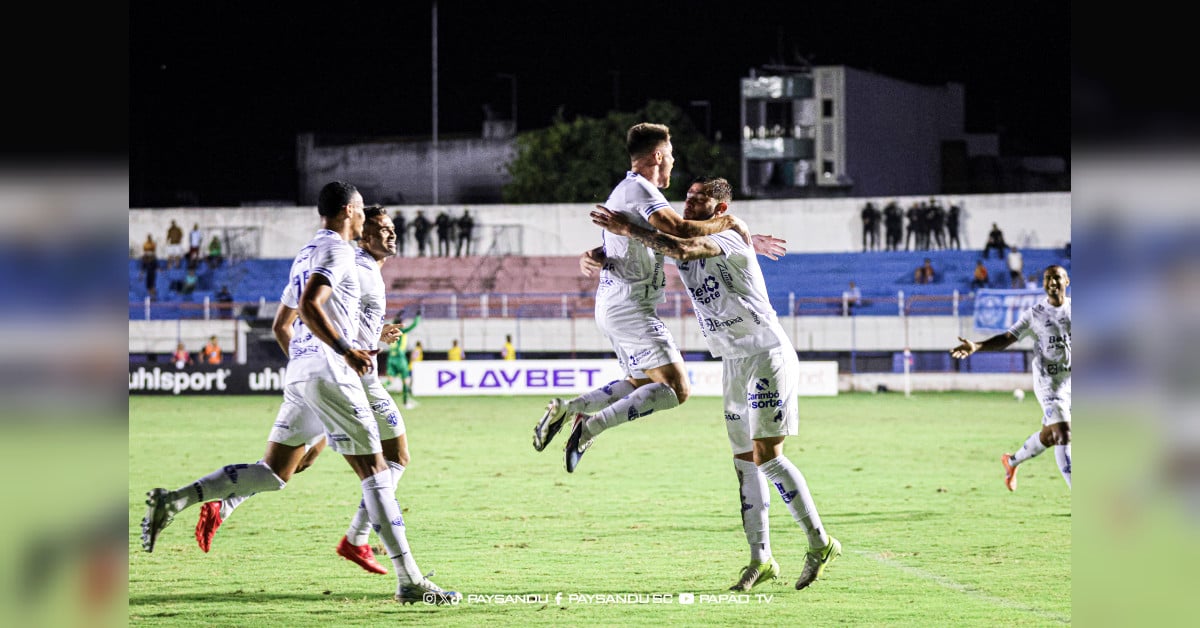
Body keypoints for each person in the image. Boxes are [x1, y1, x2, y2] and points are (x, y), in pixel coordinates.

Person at [140, 181, 460, 604]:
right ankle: (410, 582)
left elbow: (282, 325)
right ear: (349, 211)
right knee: (378, 473)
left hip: (302, 371)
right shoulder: (339, 251)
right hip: (331, 370)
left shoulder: (306, 253)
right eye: (362, 210)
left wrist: (320, 364)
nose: (366, 217)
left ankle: (176, 498)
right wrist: (345, 351)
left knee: (275, 473)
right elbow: (312, 304)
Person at [587, 176, 839, 592]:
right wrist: (598, 253)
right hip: (733, 362)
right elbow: (657, 249)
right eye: (685, 197)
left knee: (768, 457)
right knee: (744, 462)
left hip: (765, 353)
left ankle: (820, 543)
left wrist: (628, 227)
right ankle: (761, 558)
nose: (686, 205)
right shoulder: (716, 232)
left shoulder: (726, 235)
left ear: (720, 209)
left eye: (697, 200)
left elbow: (684, 246)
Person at [195, 206, 418, 577]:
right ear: (363, 233)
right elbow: (309, 315)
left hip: (333, 373)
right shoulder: (358, 266)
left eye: (394, 229)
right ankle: (359, 539)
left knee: (301, 461)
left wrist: (371, 337)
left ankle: (226, 504)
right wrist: (325, 360)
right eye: (382, 228)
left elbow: (315, 320)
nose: (392, 235)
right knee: (393, 457)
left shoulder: (364, 268)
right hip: (350, 378)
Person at [530, 122, 751, 475]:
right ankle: (587, 426)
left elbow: (625, 244)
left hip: (617, 303)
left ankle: (569, 408)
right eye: (672, 156)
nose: (674, 163)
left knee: (641, 383)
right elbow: (679, 233)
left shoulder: (630, 191)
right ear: (658, 156)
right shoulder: (640, 190)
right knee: (676, 388)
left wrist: (598, 252)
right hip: (630, 306)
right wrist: (729, 224)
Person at [950, 265, 1071, 491]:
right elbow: (1007, 338)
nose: (1052, 283)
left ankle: (1012, 461)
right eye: (1047, 279)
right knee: (1064, 433)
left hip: (1072, 382)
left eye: (1056, 278)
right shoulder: (1035, 314)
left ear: (1067, 281)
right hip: (1049, 384)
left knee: (1049, 436)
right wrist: (977, 346)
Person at [385, 311, 421, 409]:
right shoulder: (402, 331)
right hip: (400, 359)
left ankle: (373, 396)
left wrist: (397, 316)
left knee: (390, 380)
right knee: (406, 381)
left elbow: (394, 323)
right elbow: (414, 325)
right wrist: (418, 316)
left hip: (391, 358)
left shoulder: (391, 331)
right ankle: (406, 403)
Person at [140, 234, 159, 299]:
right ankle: (151, 296)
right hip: (148, 273)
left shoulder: (153, 260)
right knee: (148, 286)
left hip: (152, 273)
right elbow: (143, 267)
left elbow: (156, 266)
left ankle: (154, 296)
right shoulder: (145, 261)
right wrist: (141, 274)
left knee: (152, 285)